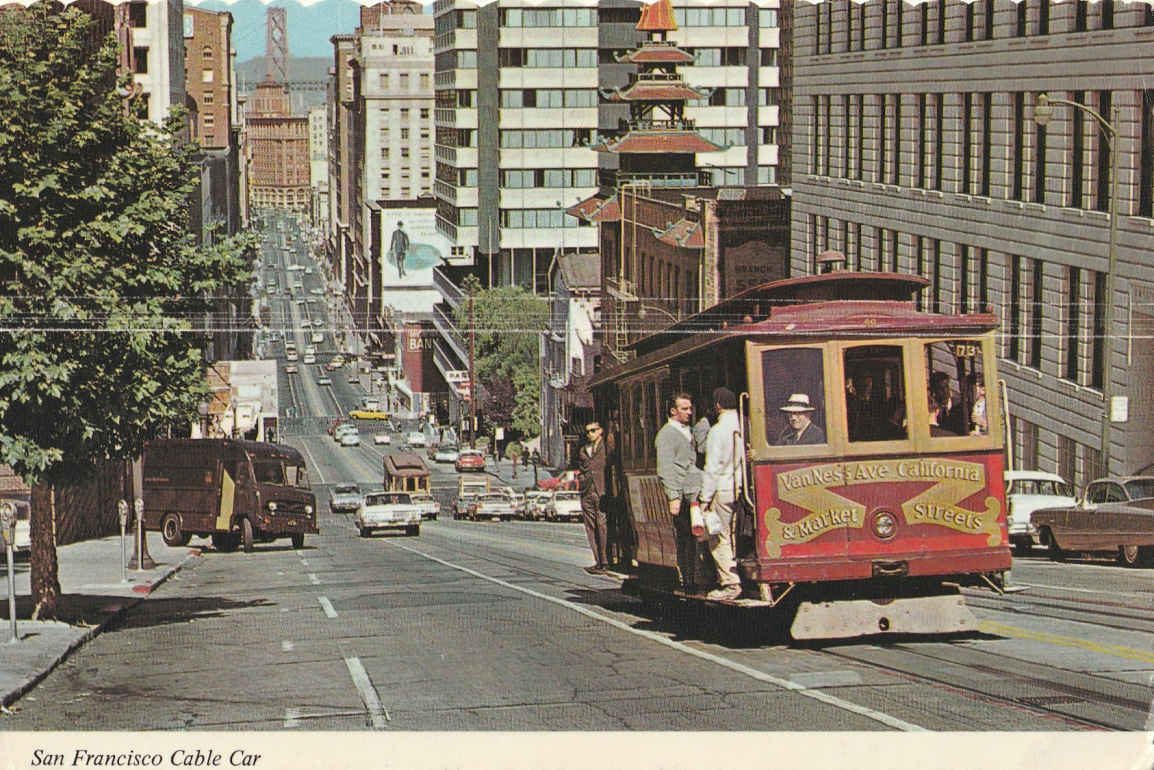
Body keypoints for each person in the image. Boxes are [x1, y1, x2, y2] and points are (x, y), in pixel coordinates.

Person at [698, 387, 743, 601]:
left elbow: (712, 467)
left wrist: (705, 499)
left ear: (717, 405)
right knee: (734, 535)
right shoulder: (745, 424)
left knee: (718, 536)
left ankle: (730, 582)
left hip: (723, 489)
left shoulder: (718, 430)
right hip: (741, 487)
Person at [655, 393, 702, 589]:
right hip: (682, 494)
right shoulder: (666, 435)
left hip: (693, 492)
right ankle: (688, 579)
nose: (689, 412)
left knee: (695, 536)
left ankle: (696, 575)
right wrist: (673, 496)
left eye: (690, 408)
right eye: (684, 409)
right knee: (686, 537)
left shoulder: (688, 431)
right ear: (673, 411)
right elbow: (665, 467)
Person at [577, 422, 609, 574]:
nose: (590, 433)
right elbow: (582, 467)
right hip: (587, 491)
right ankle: (598, 561)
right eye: (588, 431)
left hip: (601, 489)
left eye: (593, 430)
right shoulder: (583, 449)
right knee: (591, 527)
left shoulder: (606, 444)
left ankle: (605, 560)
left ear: (600, 430)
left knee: (602, 524)